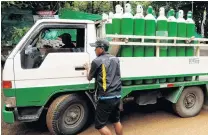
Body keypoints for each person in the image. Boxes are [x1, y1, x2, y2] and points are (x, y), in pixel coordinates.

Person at [84, 39, 123, 135]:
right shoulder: (115, 59)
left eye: (95, 48)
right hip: (117, 95)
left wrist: (87, 68)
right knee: (116, 121)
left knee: (100, 125)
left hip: (106, 97)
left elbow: (89, 78)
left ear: (101, 49)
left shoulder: (97, 61)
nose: (94, 50)